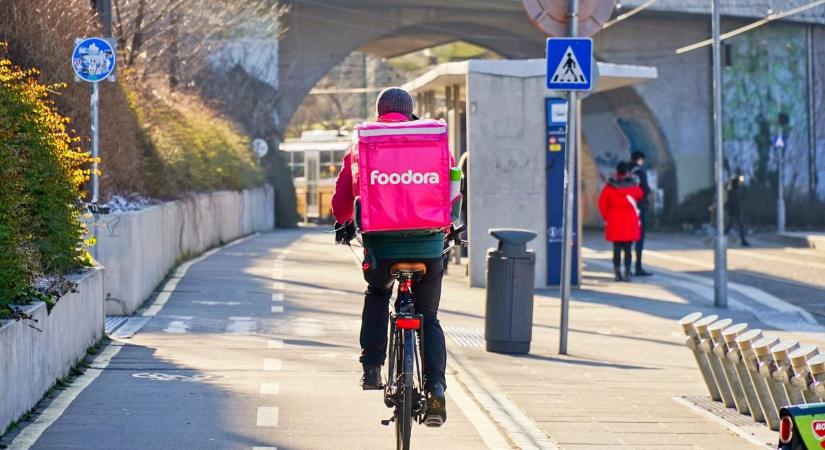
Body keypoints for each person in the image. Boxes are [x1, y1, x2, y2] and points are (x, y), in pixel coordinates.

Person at [331, 87, 449, 426]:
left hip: (382, 250)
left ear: (379, 111)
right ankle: (436, 390)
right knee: (428, 316)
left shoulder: (364, 141)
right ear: (410, 113)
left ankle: (371, 368)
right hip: (428, 248)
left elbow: (343, 197)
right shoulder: (431, 139)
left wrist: (344, 223)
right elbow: (450, 186)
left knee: (378, 293)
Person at [599, 162, 644, 281]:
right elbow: (640, 194)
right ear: (627, 172)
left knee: (617, 248)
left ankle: (617, 272)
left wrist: (607, 217)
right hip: (630, 220)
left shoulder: (610, 186)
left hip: (614, 219)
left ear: (617, 171)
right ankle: (627, 272)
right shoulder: (633, 185)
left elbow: (602, 203)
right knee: (628, 248)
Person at [628, 150, 653, 276]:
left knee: (625, 239)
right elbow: (645, 189)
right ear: (640, 159)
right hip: (639, 207)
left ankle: (626, 269)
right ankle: (638, 266)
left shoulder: (625, 171)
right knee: (639, 238)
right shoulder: (640, 172)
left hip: (626, 209)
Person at [725, 172, 750, 247]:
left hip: (735, 211)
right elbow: (733, 202)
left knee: (731, 226)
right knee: (737, 226)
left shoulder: (734, 190)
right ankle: (743, 241)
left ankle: (743, 241)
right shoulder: (732, 191)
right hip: (734, 211)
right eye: (739, 182)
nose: (740, 183)